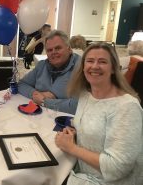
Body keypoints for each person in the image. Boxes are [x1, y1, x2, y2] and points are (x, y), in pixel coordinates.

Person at [55, 42, 143, 185]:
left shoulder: (127, 107)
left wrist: (71, 147)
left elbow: (117, 168)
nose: (94, 66)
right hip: (82, 173)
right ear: (83, 67)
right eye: (90, 61)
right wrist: (77, 133)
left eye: (102, 62)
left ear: (114, 68)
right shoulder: (85, 95)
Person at [18, 30, 80, 114]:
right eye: (49, 50)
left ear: (69, 49)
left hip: (64, 123)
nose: (53, 52)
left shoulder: (81, 68)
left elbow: (78, 106)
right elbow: (22, 84)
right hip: (38, 119)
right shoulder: (42, 65)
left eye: (58, 48)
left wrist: (44, 101)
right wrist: (35, 94)